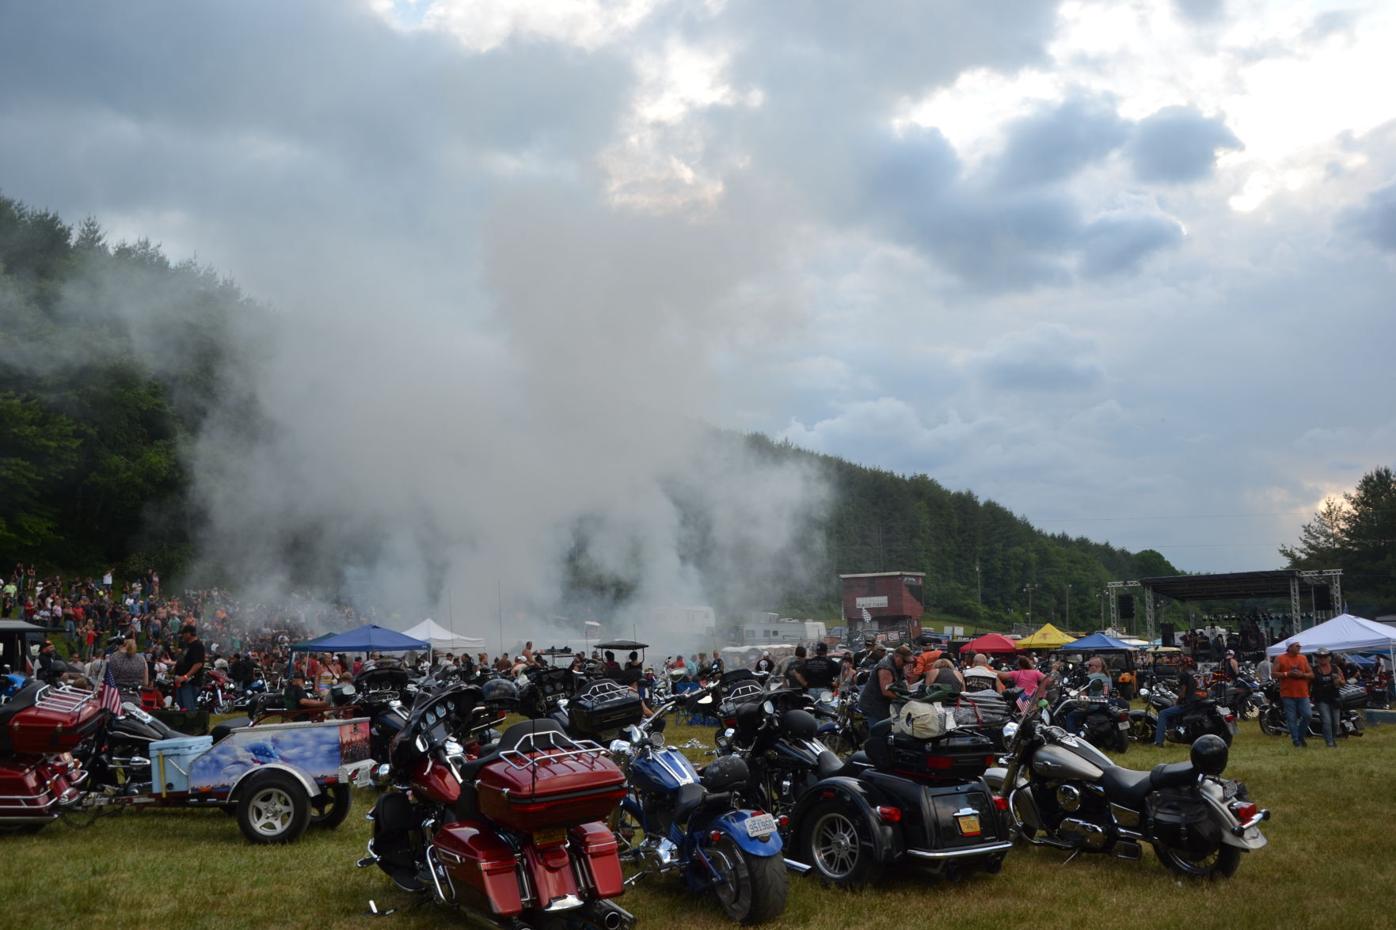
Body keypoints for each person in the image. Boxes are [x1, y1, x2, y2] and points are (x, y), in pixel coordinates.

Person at [1271, 642, 1313, 748]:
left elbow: (1311, 674)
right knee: (1291, 718)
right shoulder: (1280, 658)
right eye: (1297, 646)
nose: (1299, 647)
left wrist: (1302, 674)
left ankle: (1300, 735)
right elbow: (1273, 674)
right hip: (1287, 693)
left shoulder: (1303, 658)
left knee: (1307, 715)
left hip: (1303, 693)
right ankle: (1296, 740)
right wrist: (1287, 674)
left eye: (1299, 646)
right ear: (1289, 647)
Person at [857, 644, 911, 724]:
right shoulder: (885, 668)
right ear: (897, 656)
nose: (906, 664)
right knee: (878, 732)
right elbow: (886, 692)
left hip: (883, 705)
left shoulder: (898, 665)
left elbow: (903, 683)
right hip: (873, 706)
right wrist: (905, 699)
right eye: (904, 661)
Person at [1153, 669, 1203, 747]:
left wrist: (1177, 700)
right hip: (1195, 702)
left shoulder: (1183, 675)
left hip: (1187, 705)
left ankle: (1158, 741)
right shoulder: (1193, 674)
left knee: (1162, 714)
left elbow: (1183, 692)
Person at [1311, 648, 1346, 749]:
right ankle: (1329, 743)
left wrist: (1339, 680)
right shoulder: (1314, 670)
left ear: (1329, 657)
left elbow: (1343, 683)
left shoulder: (1336, 668)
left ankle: (1332, 739)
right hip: (1321, 699)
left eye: (1325, 657)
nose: (1323, 659)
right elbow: (1308, 683)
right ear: (1317, 658)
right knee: (1326, 721)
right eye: (1320, 657)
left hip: (1334, 698)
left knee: (1335, 723)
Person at [172, 625, 206, 711]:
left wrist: (185, 677)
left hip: (190, 683)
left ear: (189, 634)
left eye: (184, 633)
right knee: (181, 707)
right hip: (181, 682)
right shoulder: (187, 645)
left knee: (189, 709)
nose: (182, 636)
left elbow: (198, 664)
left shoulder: (197, 645)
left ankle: (192, 723)